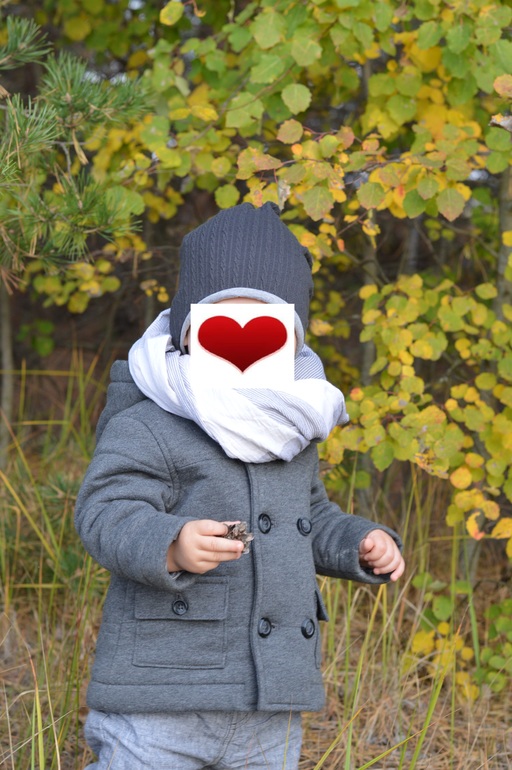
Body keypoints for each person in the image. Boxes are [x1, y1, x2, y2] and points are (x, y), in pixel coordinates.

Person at [75, 202, 405, 770]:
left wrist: (360, 542)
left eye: (268, 330)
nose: (243, 347)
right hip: (162, 691)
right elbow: (105, 509)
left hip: (269, 701)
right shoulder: (153, 419)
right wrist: (171, 542)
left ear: (293, 341)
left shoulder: (291, 427)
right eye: (220, 327)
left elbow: (309, 517)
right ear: (188, 332)